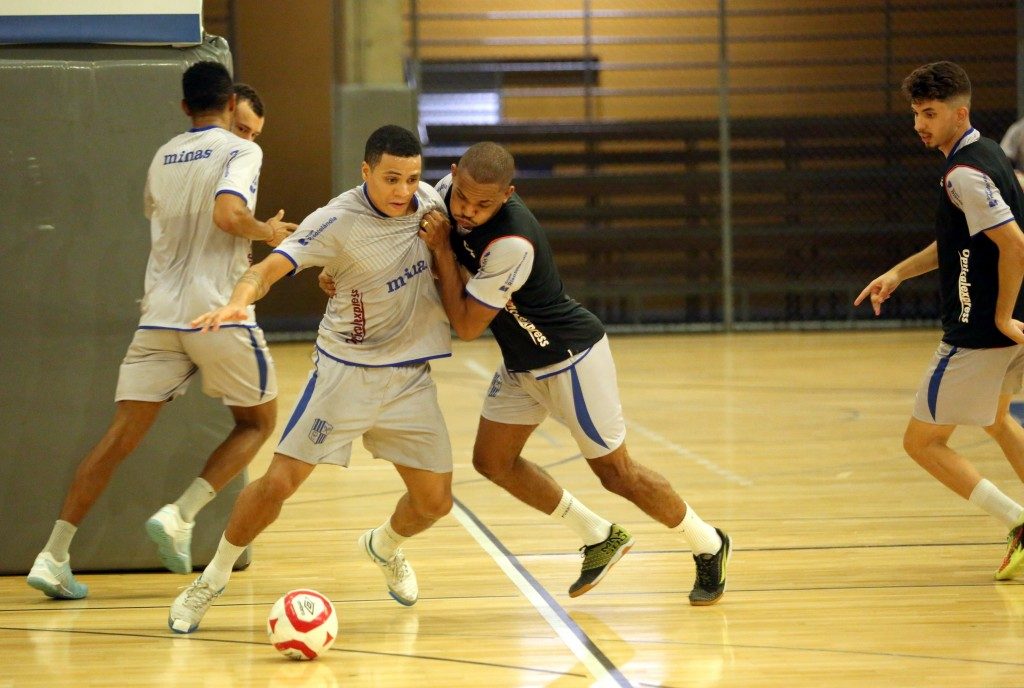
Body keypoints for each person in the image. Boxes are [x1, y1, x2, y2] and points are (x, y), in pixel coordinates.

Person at [415, 141, 731, 605]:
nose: (466, 210)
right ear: (454, 173)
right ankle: (597, 534)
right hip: (522, 361)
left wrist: (442, 247)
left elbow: (465, 325)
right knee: (493, 462)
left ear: (507, 196)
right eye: (462, 197)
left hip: (569, 359)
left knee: (617, 474)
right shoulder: (443, 194)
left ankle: (708, 543)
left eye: (483, 204)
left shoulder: (512, 243)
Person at [166, 124, 454, 634]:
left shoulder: (430, 204)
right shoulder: (337, 220)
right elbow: (267, 271)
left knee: (434, 503)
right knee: (277, 484)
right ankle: (210, 580)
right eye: (391, 178)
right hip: (345, 376)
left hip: (410, 378)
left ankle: (383, 546)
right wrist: (237, 301)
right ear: (365, 172)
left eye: (411, 179)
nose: (403, 191)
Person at [26, 61, 297, 600]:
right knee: (258, 423)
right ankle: (182, 514)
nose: (247, 136)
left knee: (117, 438)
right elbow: (226, 214)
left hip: (157, 314)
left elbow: (164, 219)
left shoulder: (162, 155)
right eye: (241, 124)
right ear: (227, 107)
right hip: (214, 310)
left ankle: (52, 554)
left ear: (182, 106)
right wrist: (264, 230)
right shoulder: (241, 152)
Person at [855, 61, 1024, 580]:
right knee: (997, 420)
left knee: (921, 443)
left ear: (959, 113)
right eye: (916, 114)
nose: (919, 125)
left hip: (980, 332)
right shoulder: (988, 153)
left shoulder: (964, 174)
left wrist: (998, 316)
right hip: (1014, 326)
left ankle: (1018, 522)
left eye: (929, 114)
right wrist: (900, 272)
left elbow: (1015, 243)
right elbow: (960, 243)